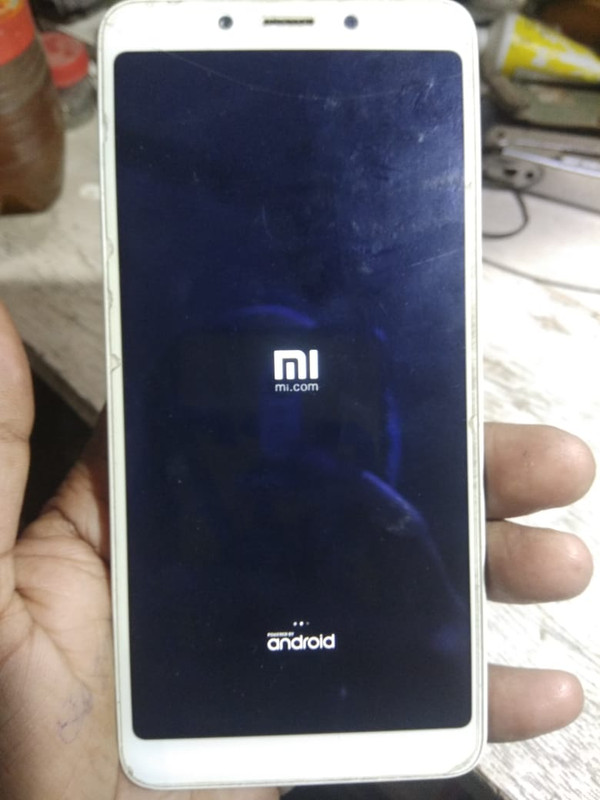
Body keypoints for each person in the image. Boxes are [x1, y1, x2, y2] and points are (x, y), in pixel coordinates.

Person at [0, 299, 594, 800]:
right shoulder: (160, 621)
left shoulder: (398, 557)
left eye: (324, 434)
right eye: (227, 434)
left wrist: (429, 622)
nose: (283, 466)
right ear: (172, 463)